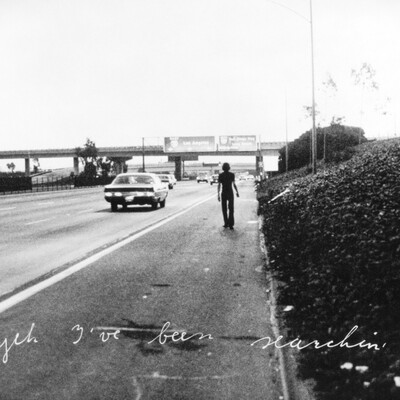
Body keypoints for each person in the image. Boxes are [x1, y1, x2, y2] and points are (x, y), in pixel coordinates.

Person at [217, 162, 239, 229]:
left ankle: (226, 223)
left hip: (224, 192)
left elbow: (219, 185)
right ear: (229, 168)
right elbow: (234, 184)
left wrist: (218, 194)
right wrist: (237, 192)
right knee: (231, 208)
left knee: (224, 209)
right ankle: (231, 224)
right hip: (230, 192)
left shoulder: (221, 175)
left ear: (223, 168)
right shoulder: (232, 175)